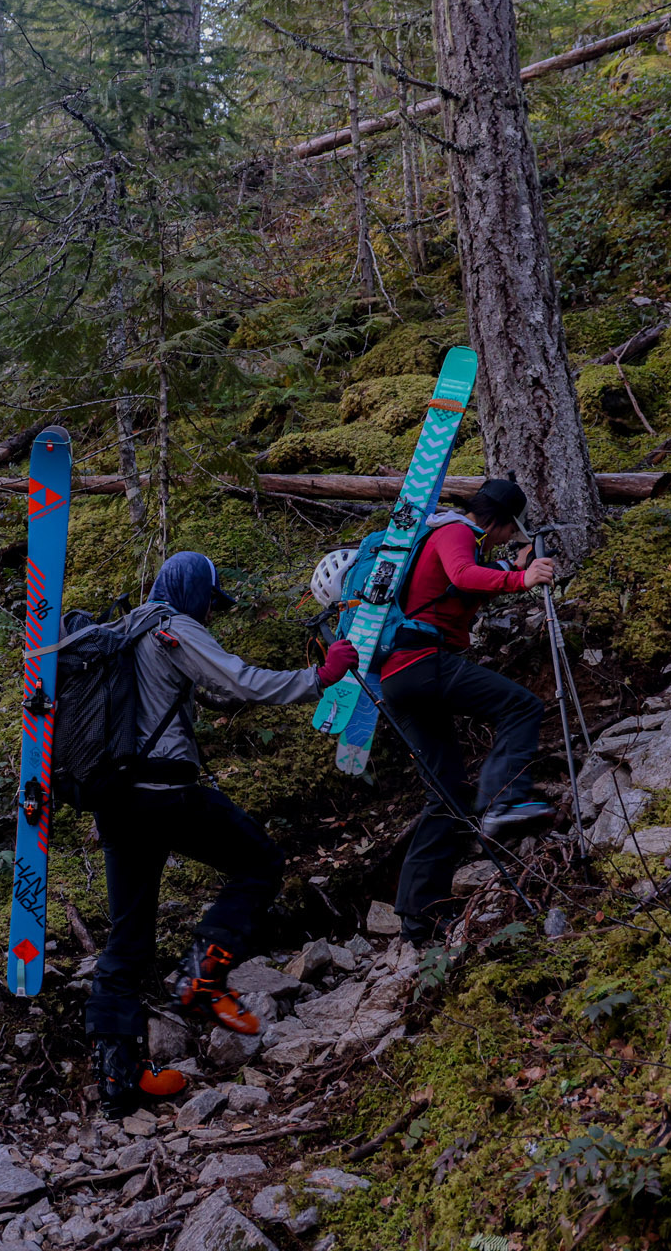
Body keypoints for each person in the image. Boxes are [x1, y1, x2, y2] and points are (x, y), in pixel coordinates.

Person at [88, 550, 359, 1117]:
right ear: (191, 592)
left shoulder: (125, 631)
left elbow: (207, 690)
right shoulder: (173, 625)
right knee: (260, 861)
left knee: (127, 938)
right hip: (165, 794)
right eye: (210, 601)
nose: (210, 614)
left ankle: (118, 1082)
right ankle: (206, 974)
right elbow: (241, 680)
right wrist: (320, 677)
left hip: (116, 804)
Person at [369, 478, 560, 942]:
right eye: (508, 530)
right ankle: (505, 801)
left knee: (448, 793)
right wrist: (520, 578)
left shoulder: (448, 535)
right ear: (495, 518)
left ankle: (417, 918)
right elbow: (460, 575)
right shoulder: (454, 531)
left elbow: (457, 586)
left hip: (398, 677)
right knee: (522, 706)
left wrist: (509, 569)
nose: (506, 537)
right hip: (423, 662)